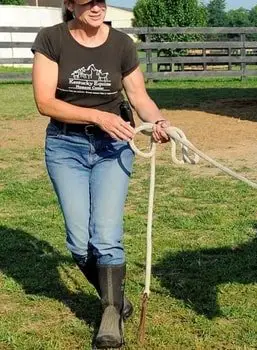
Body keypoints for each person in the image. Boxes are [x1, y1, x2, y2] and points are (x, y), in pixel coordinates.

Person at [31, 0, 171, 347]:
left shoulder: (121, 44)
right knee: (79, 242)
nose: (95, 7)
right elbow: (44, 102)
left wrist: (158, 119)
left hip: (113, 148)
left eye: (101, 1)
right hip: (66, 147)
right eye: (86, 1)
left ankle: (111, 316)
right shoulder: (52, 39)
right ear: (69, 4)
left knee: (106, 235)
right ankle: (117, 299)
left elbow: (139, 96)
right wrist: (98, 117)